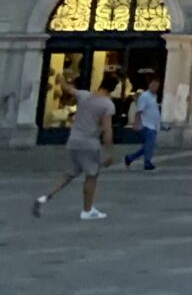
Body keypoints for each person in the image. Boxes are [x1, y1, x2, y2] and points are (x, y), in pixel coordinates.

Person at [35, 79, 117, 219]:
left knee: (70, 173)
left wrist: (62, 80)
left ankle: (44, 197)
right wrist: (109, 151)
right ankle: (87, 210)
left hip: (74, 140)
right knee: (92, 175)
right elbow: (107, 129)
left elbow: (69, 89)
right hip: (89, 143)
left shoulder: (84, 95)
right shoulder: (107, 105)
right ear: (112, 90)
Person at [121, 73, 163, 172]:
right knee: (149, 144)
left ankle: (130, 158)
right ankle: (147, 163)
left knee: (148, 145)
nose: (155, 87)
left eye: (157, 85)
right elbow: (139, 111)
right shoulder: (145, 96)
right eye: (153, 84)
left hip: (153, 125)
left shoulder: (154, 96)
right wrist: (137, 123)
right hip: (146, 125)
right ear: (149, 85)